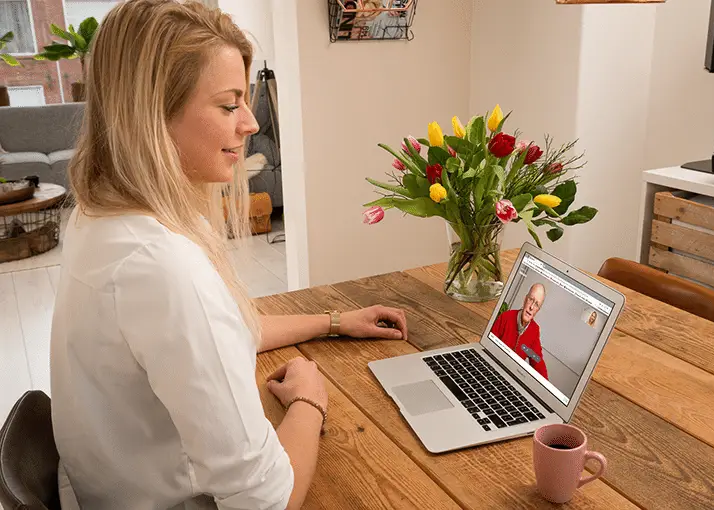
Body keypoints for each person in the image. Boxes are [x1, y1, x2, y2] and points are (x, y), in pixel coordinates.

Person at [49, 1, 408, 509]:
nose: (249, 124)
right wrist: (310, 400)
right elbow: (267, 499)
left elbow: (219, 331)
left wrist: (335, 321)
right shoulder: (163, 266)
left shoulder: (102, 219)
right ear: (152, 115)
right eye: (227, 105)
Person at [490, 283, 548, 379]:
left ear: (538, 310)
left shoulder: (534, 331)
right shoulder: (506, 317)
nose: (532, 307)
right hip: (494, 367)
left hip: (511, 377)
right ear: (525, 299)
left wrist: (546, 385)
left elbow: (536, 359)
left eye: (536, 304)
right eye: (531, 300)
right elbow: (489, 345)